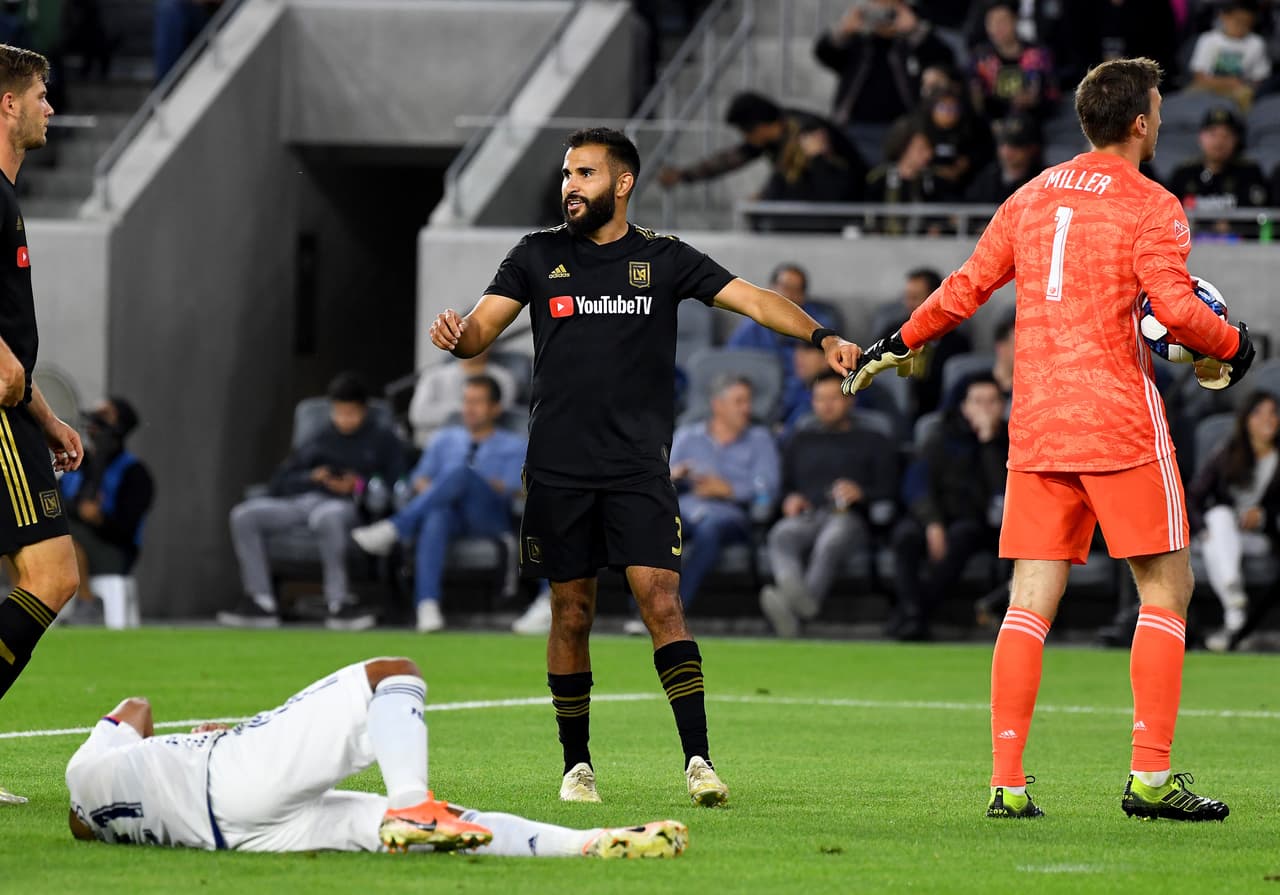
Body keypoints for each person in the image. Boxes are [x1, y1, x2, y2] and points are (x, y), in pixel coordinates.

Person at [845, 57, 1253, 821]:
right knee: (1167, 590)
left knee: (1029, 604)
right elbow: (1175, 309)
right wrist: (1234, 346)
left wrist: (898, 339)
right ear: (1141, 123)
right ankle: (1151, 777)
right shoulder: (1153, 203)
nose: (1162, 120)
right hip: (1120, 422)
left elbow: (966, 286)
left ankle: (1007, 783)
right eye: (1159, 110)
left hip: (1038, 424)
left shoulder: (1031, 194)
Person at [426, 127, 860, 807]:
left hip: (638, 467)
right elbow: (481, 328)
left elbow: (752, 297)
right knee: (571, 613)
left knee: (661, 600)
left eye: (586, 174)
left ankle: (699, 760)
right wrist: (459, 336)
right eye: (567, 174)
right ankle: (577, 766)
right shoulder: (536, 254)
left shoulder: (664, 257)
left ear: (622, 183)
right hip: (559, 468)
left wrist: (821, 334)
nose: (571, 186)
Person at [64, 656, 687, 858]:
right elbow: (135, 707)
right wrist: (157, 738)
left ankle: (587, 844)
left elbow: (81, 822)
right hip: (228, 772)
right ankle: (413, 804)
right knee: (392, 674)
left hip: (235, 836)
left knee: (445, 826)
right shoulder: (87, 765)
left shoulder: (92, 799)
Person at [0, 48, 85, 718]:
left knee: (44, 574)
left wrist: (49, 419)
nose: (49, 109)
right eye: (40, 96)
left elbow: (14, 361)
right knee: (52, 574)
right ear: (8, 105)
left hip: (14, 410)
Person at [219, 373, 405, 632]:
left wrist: (357, 485)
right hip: (305, 500)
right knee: (244, 515)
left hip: (347, 507)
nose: (344, 420)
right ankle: (261, 601)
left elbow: (394, 483)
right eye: (339, 412)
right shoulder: (320, 438)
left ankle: (338, 604)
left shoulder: (383, 440)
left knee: (325, 517)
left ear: (364, 410)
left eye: (351, 413)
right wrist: (312, 477)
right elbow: (279, 481)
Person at [351, 375, 526, 634]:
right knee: (436, 515)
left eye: (478, 402)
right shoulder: (444, 439)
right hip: (450, 515)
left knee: (460, 473)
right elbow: (418, 480)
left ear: (495, 408)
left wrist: (465, 482)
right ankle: (427, 605)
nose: (469, 408)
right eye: (466, 401)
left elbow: (514, 489)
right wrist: (442, 489)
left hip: (488, 517)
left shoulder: (515, 445)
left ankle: (394, 528)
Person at [759, 371, 896, 638]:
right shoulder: (801, 439)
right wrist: (790, 498)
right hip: (808, 514)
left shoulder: (874, 440)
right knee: (781, 534)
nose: (826, 405)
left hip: (849, 517)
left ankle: (794, 604)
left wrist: (861, 493)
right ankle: (800, 602)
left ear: (850, 399)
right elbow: (785, 486)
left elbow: (890, 490)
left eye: (834, 398)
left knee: (830, 540)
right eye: (819, 399)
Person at [887, 375, 1008, 641]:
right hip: (934, 515)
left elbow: (1002, 494)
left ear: (1002, 406)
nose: (985, 409)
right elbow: (917, 485)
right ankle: (911, 610)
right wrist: (932, 523)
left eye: (992, 402)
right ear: (964, 406)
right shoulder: (941, 436)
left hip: (979, 522)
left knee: (963, 537)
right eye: (978, 402)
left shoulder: (1009, 442)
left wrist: (988, 443)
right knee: (905, 536)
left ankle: (913, 615)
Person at [656, 91, 867, 213]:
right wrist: (684, 175)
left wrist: (767, 198)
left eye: (746, 132)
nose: (747, 139)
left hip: (846, 202)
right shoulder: (775, 135)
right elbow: (729, 160)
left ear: (760, 127)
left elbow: (815, 180)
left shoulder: (805, 132)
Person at [668, 376, 779, 609]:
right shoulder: (688, 436)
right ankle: (641, 609)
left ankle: (675, 609)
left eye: (748, 401)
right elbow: (662, 479)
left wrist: (730, 490)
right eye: (739, 401)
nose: (747, 408)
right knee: (659, 528)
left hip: (730, 515)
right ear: (718, 405)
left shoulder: (759, 439)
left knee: (708, 530)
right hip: (686, 508)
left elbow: (768, 489)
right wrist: (675, 476)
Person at [1187, 391, 1280, 653]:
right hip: (1220, 533)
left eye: (1273, 413)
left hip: (1258, 538)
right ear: (1246, 419)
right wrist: (1202, 529)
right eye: (1258, 413)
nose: (1267, 420)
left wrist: (1263, 516)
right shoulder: (1227, 453)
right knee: (1220, 517)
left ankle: (1232, 601)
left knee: (1217, 536)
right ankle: (1234, 611)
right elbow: (1193, 497)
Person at [814, 1, 955, 160]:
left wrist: (915, 30)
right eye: (877, 10)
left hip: (903, 127)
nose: (883, 17)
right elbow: (824, 54)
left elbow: (944, 59)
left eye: (889, 11)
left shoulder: (912, 41)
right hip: (856, 126)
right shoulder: (859, 41)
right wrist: (843, 31)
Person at [58, 397, 154, 622]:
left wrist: (100, 520)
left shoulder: (135, 473)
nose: (94, 422)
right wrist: (79, 511)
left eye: (104, 416)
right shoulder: (80, 464)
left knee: (63, 536)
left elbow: (126, 530)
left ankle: (88, 604)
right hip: (73, 541)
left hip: (113, 552)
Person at [725, 262, 839, 423]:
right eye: (784, 287)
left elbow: (829, 371)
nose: (789, 295)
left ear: (803, 296)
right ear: (770, 289)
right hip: (759, 397)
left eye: (796, 290)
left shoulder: (818, 326)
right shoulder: (751, 328)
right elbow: (731, 366)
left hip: (805, 399)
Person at [869, 267, 972, 417]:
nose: (909, 304)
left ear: (936, 299)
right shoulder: (891, 333)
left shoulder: (956, 343)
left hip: (937, 412)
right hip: (893, 410)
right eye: (907, 297)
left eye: (915, 298)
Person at [1164, 107, 1269, 239]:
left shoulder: (1249, 174)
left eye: (1226, 136)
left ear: (1235, 140)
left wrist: (1232, 227)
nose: (1219, 142)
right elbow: (1168, 218)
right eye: (1213, 134)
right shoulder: (1183, 175)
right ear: (1200, 137)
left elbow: (1258, 218)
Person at [406, 346, 519, 447]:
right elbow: (417, 415)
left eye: (477, 401)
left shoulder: (504, 378)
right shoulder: (433, 375)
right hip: (436, 446)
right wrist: (465, 408)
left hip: (486, 445)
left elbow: (498, 415)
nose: (468, 409)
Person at [968, 0, 1058, 123]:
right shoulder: (980, 59)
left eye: (1002, 21)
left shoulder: (1038, 55)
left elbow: (1053, 95)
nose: (997, 27)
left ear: (1015, 20)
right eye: (991, 22)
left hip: (1038, 121)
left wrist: (1034, 100)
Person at [863, 124, 955, 236]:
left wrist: (938, 226)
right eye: (921, 149)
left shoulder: (932, 181)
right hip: (885, 242)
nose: (928, 155)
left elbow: (943, 213)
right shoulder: (880, 179)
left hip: (923, 243)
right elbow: (868, 215)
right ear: (904, 148)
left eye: (929, 149)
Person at [1187, 0, 1271, 111]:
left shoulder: (1256, 43)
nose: (1242, 27)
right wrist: (1228, 82)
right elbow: (1199, 76)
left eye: (1247, 23)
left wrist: (1243, 84)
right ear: (1224, 17)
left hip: (1240, 90)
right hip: (1209, 87)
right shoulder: (1208, 39)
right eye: (1238, 21)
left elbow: (1260, 78)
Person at [965, 114, 1045, 208]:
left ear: (1032, 148)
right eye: (1002, 144)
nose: (1007, 151)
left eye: (1016, 145)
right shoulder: (986, 179)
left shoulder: (1044, 179)